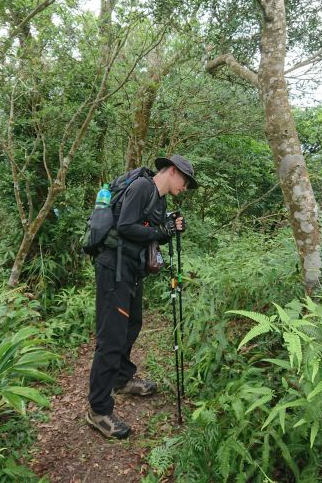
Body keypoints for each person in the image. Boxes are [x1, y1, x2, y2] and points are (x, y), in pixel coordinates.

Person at [86, 155, 198, 439]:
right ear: (172, 171)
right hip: (114, 268)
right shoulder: (142, 188)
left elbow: (150, 233)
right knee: (111, 337)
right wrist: (162, 230)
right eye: (185, 181)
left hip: (131, 269)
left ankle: (121, 380)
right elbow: (125, 226)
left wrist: (169, 228)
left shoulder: (159, 199)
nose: (185, 187)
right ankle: (98, 410)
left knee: (132, 323)